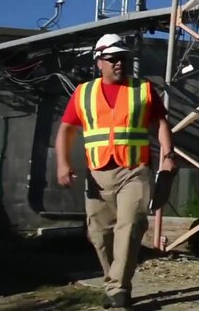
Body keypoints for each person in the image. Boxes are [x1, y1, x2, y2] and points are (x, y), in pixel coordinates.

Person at [55, 33, 177, 309]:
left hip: (135, 170)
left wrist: (168, 156)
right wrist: (63, 163)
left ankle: (118, 288)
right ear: (99, 62)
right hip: (98, 173)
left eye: (122, 58)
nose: (119, 63)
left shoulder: (143, 89)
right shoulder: (83, 92)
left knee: (131, 225)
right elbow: (66, 129)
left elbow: (160, 123)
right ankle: (115, 282)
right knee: (100, 233)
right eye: (112, 59)